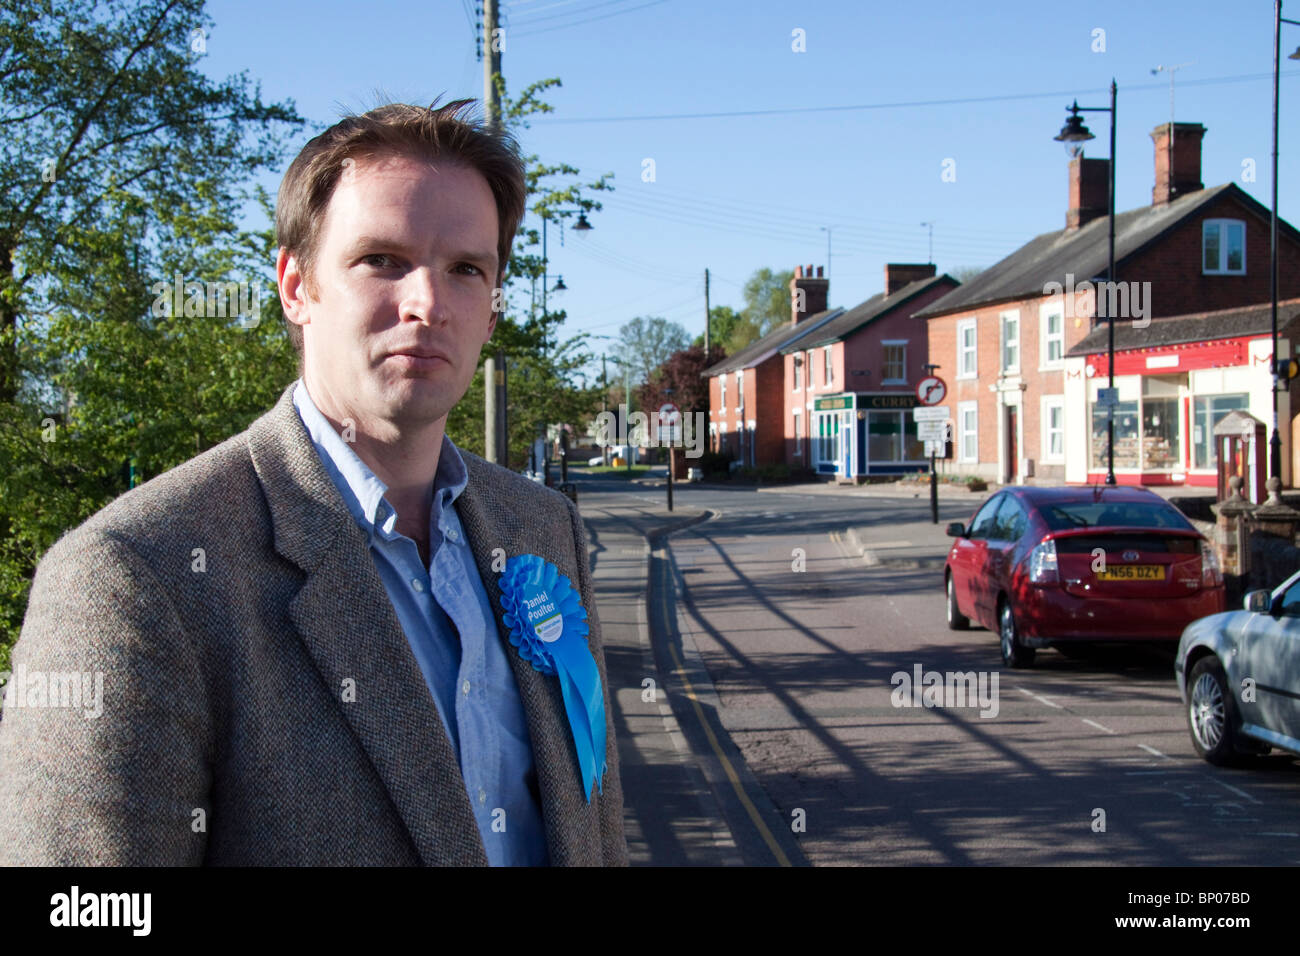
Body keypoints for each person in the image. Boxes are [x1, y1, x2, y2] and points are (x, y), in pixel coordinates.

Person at [0, 100, 627, 866]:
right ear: (296, 287)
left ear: (493, 307)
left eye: (466, 269)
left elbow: (592, 827)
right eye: (382, 260)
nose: (428, 303)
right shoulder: (135, 576)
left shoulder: (542, 526)